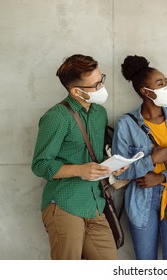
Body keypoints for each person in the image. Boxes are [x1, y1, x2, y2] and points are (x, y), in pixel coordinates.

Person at [31, 54, 127, 260]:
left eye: (102, 79)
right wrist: (80, 170)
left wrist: (112, 166)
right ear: (76, 91)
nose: (102, 87)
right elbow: (40, 164)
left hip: (95, 205)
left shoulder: (99, 113)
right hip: (64, 204)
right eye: (96, 84)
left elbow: (96, 156)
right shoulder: (57, 117)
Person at [112, 55, 167, 260]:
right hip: (141, 195)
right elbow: (118, 170)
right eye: (160, 84)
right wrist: (151, 161)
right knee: (145, 262)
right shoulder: (126, 124)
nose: (166, 87)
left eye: (166, 82)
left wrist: (163, 177)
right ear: (145, 91)